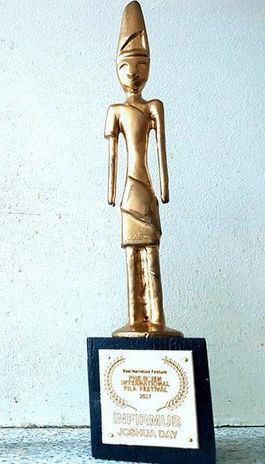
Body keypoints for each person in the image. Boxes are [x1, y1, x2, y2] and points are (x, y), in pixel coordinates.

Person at [104, 1, 182, 337]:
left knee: (151, 252)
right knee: (131, 255)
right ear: (117, 69)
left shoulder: (154, 107)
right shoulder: (115, 110)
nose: (133, 72)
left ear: (149, 67)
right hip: (129, 192)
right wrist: (110, 193)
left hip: (146, 190)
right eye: (125, 65)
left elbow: (161, 151)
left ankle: (157, 319)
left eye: (141, 63)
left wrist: (164, 187)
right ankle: (135, 319)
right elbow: (112, 156)